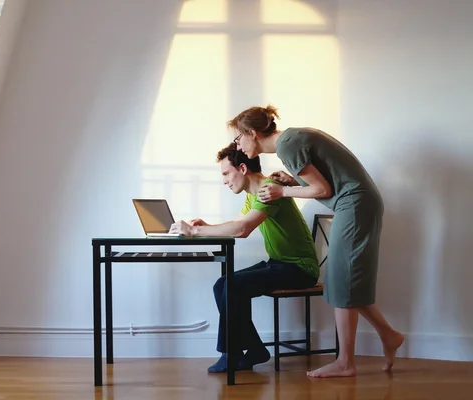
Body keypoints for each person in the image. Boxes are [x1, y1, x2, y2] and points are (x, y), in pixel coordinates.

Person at [228, 105, 404, 378]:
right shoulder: (292, 138)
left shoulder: (288, 145)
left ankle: (346, 362)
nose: (237, 143)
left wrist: (282, 191)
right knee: (346, 279)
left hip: (353, 205)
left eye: (238, 137)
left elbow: (323, 190)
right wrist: (291, 179)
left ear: (253, 132)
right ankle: (389, 335)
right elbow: (324, 180)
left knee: (340, 280)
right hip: (356, 203)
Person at [168, 142, 320, 373]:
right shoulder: (253, 195)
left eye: (226, 173)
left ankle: (231, 353)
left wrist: (195, 232)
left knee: (232, 285)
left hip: (300, 269)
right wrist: (208, 226)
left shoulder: (269, 190)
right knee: (223, 284)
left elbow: (242, 230)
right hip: (280, 264)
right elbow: (237, 225)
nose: (224, 180)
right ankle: (254, 349)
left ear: (242, 168)